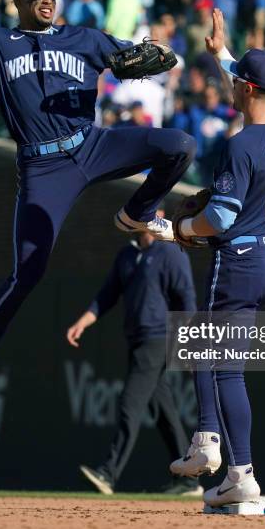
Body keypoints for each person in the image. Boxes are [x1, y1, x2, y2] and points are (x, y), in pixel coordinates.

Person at [0, 0, 196, 410]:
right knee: (28, 272)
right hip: (43, 168)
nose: (49, 0)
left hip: (92, 144)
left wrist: (160, 54)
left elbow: (155, 58)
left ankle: (137, 213)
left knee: (180, 146)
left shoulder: (85, 39)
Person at [170, 9, 265, 508]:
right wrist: (223, 54)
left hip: (240, 260)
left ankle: (236, 467)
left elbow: (218, 221)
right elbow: (250, 89)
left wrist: (182, 229)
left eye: (235, 81)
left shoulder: (240, 145)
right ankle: (208, 442)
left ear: (245, 89)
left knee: (223, 366)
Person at [67, 208, 201, 496]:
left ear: (160, 216)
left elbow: (187, 300)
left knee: (130, 403)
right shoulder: (126, 256)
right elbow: (107, 295)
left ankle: (108, 472)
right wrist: (84, 321)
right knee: (162, 409)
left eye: (149, 212)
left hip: (160, 339)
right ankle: (189, 478)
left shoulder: (172, 253)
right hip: (138, 339)